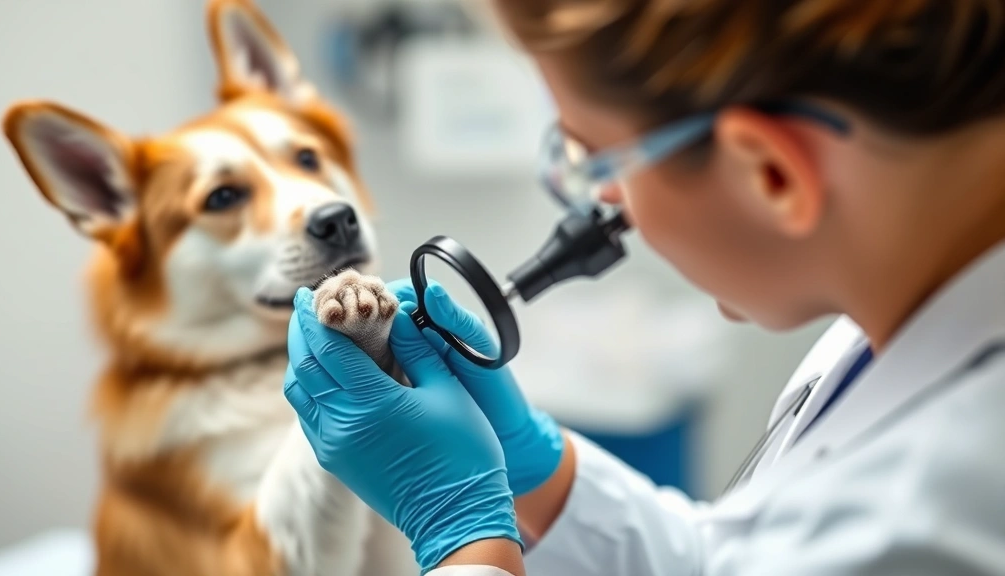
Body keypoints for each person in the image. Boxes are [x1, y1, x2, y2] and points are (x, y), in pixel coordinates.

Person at [283, 1, 1005, 574]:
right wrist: (538, 474)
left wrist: (464, 535)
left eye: (599, 164)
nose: (606, 211)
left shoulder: (934, 515)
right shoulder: (907, 316)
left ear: (772, 175)